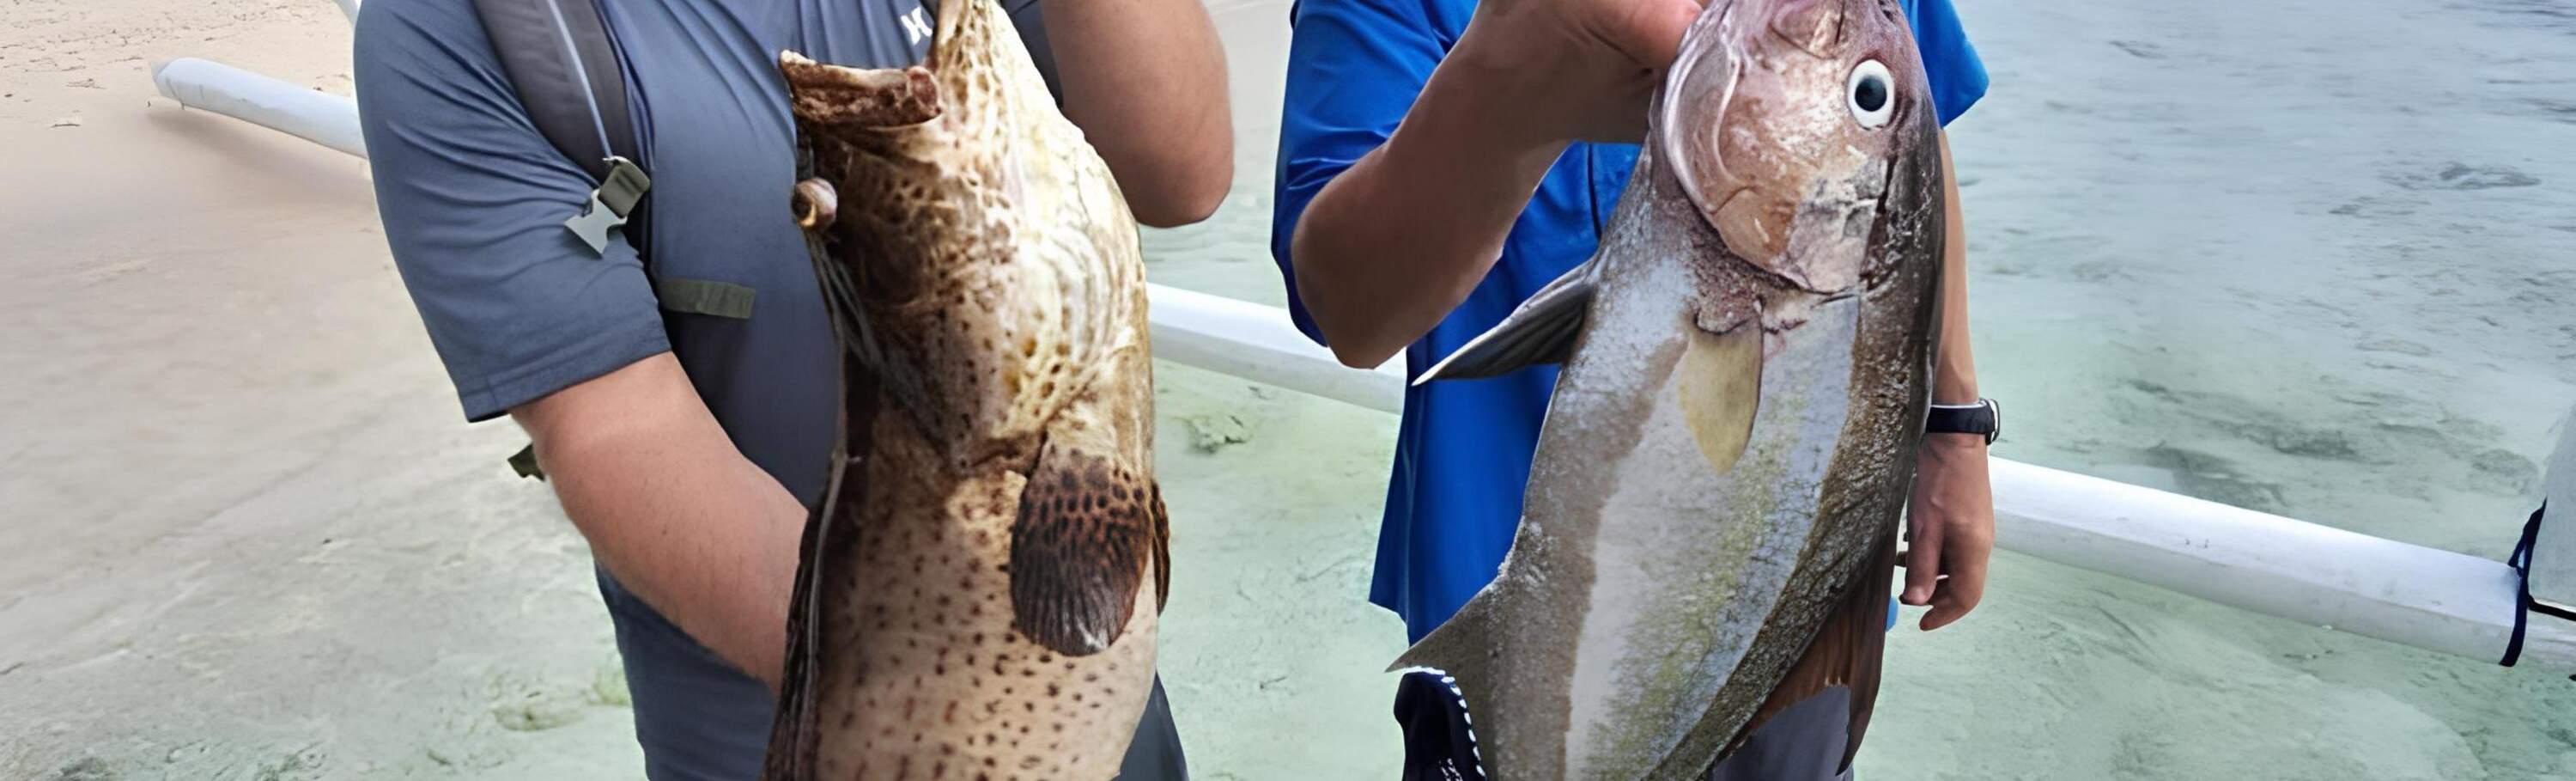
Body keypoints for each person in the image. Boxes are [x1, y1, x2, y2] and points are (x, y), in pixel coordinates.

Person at [350, 0, 1229, 778]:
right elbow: (612, 424)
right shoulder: (462, 24)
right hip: (796, 734)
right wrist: (951, 690)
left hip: (1087, 698)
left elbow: (1179, 171)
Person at [1269, 0, 1996, 777]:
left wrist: (1953, 422)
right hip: (1508, 597)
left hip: (1786, 599)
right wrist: (1512, 94)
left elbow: (1905, 145)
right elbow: (1346, 305)